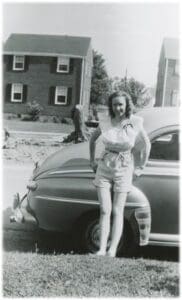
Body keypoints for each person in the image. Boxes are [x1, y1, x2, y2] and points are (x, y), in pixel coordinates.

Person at [89, 91, 151, 257]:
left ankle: (112, 250)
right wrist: (92, 161)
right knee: (104, 210)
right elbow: (92, 139)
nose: (118, 108)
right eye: (115, 104)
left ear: (126, 105)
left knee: (117, 210)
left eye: (121, 104)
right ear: (111, 105)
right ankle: (101, 249)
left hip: (124, 168)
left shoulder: (135, 122)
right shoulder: (106, 121)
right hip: (104, 167)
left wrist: (140, 167)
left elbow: (146, 144)